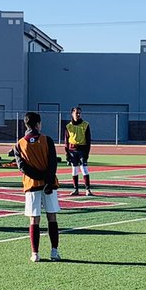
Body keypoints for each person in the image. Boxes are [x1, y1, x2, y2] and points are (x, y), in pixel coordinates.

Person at [14, 112, 61, 262]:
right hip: (49, 184)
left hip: (31, 184)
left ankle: (35, 253)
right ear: (38, 124)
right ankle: (54, 251)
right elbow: (53, 163)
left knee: (34, 219)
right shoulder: (47, 140)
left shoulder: (19, 143)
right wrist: (47, 179)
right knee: (52, 216)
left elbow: (22, 167)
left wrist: (38, 177)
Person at [64, 106, 93, 196]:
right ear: (72, 114)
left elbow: (88, 140)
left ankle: (88, 189)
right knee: (74, 170)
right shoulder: (68, 126)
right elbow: (66, 141)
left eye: (79, 113)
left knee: (84, 169)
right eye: (76, 113)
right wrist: (67, 154)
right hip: (72, 151)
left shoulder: (85, 125)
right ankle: (75, 189)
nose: (78, 115)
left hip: (82, 150)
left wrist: (87, 153)